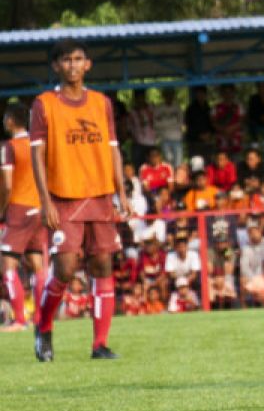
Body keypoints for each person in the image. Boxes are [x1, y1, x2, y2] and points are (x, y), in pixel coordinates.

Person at [30, 39, 133, 360]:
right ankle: (44, 326)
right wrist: (45, 201)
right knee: (65, 267)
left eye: (78, 59)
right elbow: (37, 155)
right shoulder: (44, 104)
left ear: (88, 64)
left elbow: (114, 149)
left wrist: (122, 192)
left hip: (100, 194)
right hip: (63, 197)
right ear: (56, 65)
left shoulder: (101, 103)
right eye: (66, 60)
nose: (73, 65)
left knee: (102, 264)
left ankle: (99, 344)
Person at [1, 102, 47, 332]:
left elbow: (8, 185)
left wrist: (1, 208)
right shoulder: (38, 145)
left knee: (7, 264)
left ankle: (19, 320)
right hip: (39, 208)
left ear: (10, 121)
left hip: (19, 208)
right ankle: (40, 319)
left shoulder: (9, 146)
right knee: (37, 264)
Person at [153, 87, 186, 169]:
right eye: (167, 95)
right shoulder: (159, 108)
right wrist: (173, 121)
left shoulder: (177, 107)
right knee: (167, 162)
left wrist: (164, 122)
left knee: (178, 163)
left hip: (177, 139)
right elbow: (156, 124)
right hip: (165, 139)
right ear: (164, 96)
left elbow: (180, 123)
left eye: (171, 95)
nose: (169, 97)